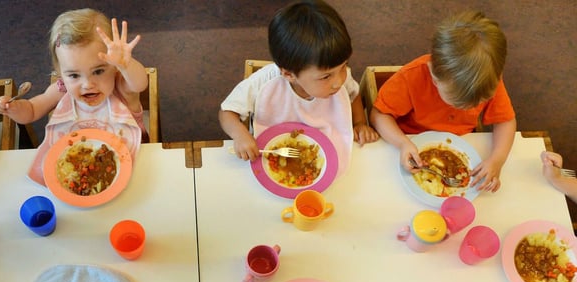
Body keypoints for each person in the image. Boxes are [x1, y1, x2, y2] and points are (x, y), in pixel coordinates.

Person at [0, 9, 149, 185]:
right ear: (60, 72)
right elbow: (32, 111)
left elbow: (140, 84)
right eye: (74, 75)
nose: (87, 84)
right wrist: (13, 108)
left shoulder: (121, 85)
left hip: (137, 157)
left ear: (113, 66)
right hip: (79, 164)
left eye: (98, 71)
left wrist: (126, 65)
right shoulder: (61, 90)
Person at [219, 0, 379, 173]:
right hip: (270, 150)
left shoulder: (339, 77)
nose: (339, 81)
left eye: (344, 66)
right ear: (289, 74)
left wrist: (360, 123)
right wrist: (240, 135)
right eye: (326, 76)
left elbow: (353, 95)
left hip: (328, 148)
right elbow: (227, 112)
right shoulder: (265, 82)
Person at [370, 11, 516, 192]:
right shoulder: (412, 77)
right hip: (408, 141)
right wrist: (402, 143)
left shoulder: (488, 81)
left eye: (480, 101)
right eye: (456, 102)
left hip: (462, 143)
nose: (470, 108)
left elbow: (505, 121)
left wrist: (497, 159)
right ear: (434, 76)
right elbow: (379, 115)